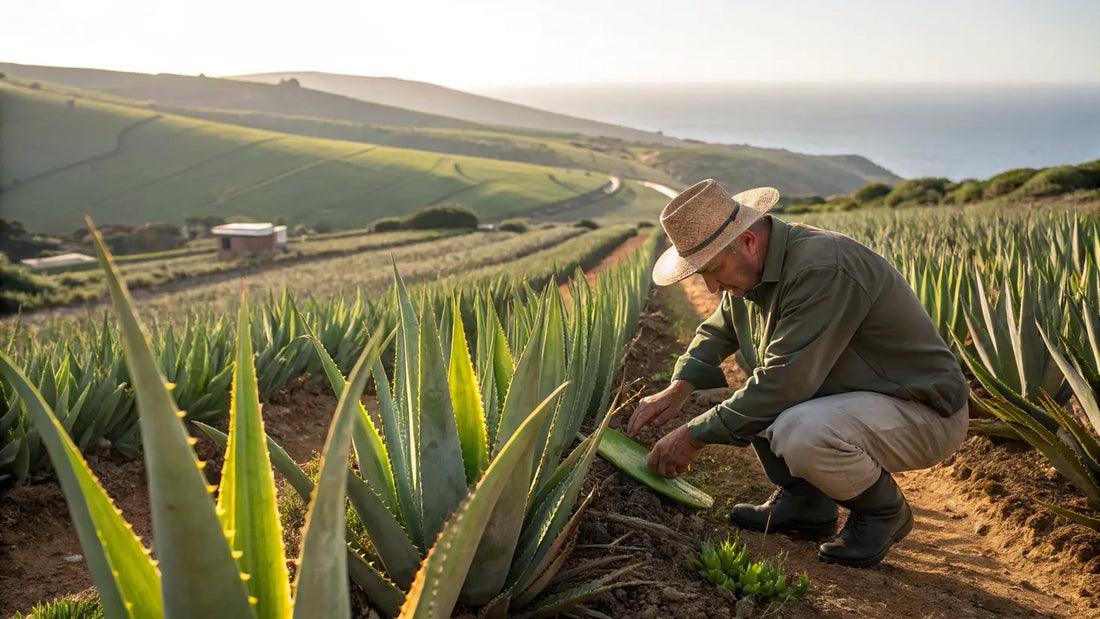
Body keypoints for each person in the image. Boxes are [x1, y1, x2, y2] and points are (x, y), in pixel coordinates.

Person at [627, 179, 969, 568]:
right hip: (857, 396)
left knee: (797, 425)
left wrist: (691, 437)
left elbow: (783, 384)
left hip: (921, 410)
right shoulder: (753, 270)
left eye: (711, 270)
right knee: (753, 400)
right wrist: (678, 387)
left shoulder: (823, 269)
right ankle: (806, 502)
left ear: (748, 243)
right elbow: (718, 329)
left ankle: (882, 512)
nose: (711, 287)